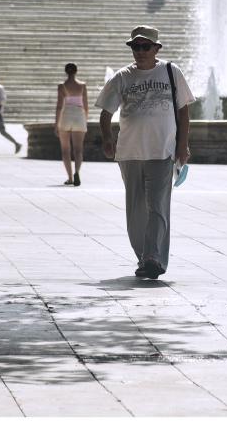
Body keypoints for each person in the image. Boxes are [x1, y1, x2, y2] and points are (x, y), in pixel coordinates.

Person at [96, 25, 195, 279]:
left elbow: (184, 111)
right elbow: (105, 113)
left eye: (145, 47)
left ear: (156, 49)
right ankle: (143, 256)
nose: (140, 52)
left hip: (162, 151)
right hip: (129, 152)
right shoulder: (122, 77)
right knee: (136, 210)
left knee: (158, 207)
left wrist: (183, 145)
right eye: (135, 47)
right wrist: (107, 139)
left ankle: (153, 257)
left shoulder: (171, 72)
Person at [55, 63, 89, 186]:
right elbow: (86, 105)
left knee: (65, 150)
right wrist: (85, 119)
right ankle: (77, 172)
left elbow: (59, 106)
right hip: (79, 115)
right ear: (76, 71)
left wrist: (56, 124)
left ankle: (69, 177)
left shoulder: (62, 86)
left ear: (66, 72)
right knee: (78, 150)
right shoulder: (82, 86)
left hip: (66, 115)